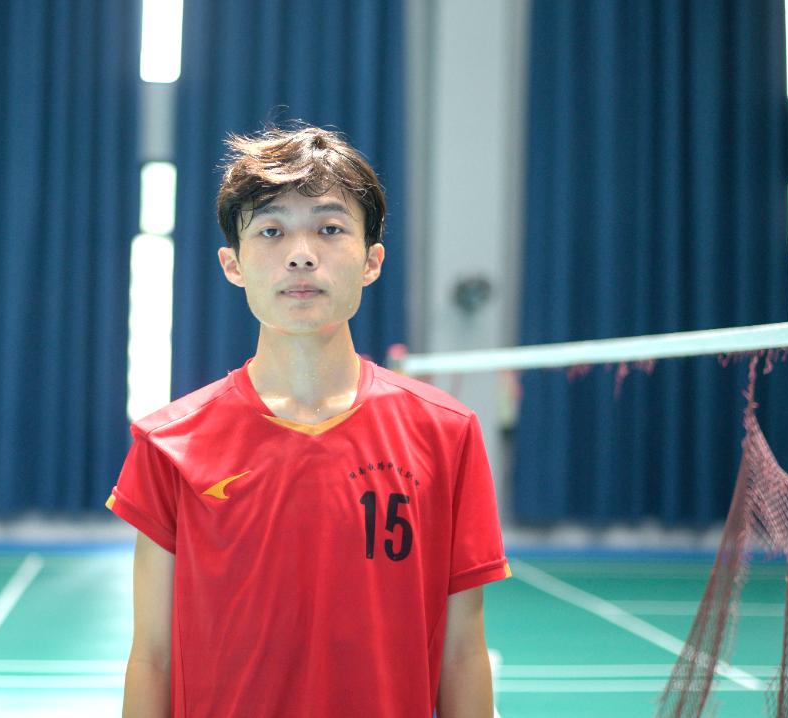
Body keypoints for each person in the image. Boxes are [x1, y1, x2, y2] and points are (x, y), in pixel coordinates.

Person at [107, 124, 509, 718]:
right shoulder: (168, 442)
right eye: (271, 231)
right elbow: (152, 658)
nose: (301, 253)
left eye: (330, 228)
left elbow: (463, 655)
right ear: (233, 264)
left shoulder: (446, 434)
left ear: (372, 261)